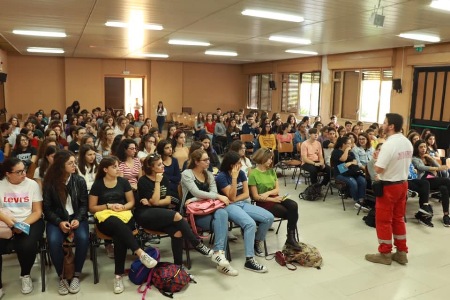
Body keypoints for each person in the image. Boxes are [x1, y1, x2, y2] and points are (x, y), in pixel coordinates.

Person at [89, 157, 157, 294]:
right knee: (117, 226)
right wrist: (108, 206)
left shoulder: (123, 182)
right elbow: (92, 208)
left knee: (119, 234)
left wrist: (123, 207)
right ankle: (140, 253)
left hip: (124, 214)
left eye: (117, 166)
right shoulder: (97, 185)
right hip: (105, 217)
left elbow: (131, 202)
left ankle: (118, 276)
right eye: (114, 167)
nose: (118, 169)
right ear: (105, 169)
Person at [135, 154, 213, 267]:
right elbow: (156, 200)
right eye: (159, 164)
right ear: (151, 167)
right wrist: (157, 183)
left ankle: (178, 266)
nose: (163, 166)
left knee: (178, 233)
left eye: (162, 163)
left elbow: (166, 200)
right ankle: (197, 245)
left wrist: (154, 202)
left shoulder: (164, 178)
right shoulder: (143, 181)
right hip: (146, 215)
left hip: (162, 215)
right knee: (176, 215)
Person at [365, 113, 413, 265]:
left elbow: (378, 169)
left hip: (389, 187)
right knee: (398, 219)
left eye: (385, 122)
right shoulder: (407, 142)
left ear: (391, 126)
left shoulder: (389, 144)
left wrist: (376, 159)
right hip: (403, 184)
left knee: (384, 221)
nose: (383, 125)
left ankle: (385, 254)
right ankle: (401, 252)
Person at [181, 149, 237, 276]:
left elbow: (212, 193)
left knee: (222, 214)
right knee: (222, 222)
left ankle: (218, 254)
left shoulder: (209, 174)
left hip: (210, 209)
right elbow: (197, 192)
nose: (208, 161)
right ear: (196, 162)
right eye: (205, 160)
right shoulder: (187, 173)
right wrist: (216, 197)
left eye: (208, 159)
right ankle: (222, 262)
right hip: (194, 214)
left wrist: (196, 199)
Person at [216, 151, 273, 273]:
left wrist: (234, 199)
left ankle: (256, 242)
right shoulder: (221, 176)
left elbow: (246, 194)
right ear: (231, 165)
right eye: (238, 163)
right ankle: (249, 260)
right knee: (250, 224)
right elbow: (230, 196)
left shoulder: (241, 173)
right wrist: (234, 178)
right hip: (227, 207)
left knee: (269, 218)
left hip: (239, 203)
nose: (241, 165)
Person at [43, 150, 89, 295]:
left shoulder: (79, 181)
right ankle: (62, 276)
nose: (74, 165)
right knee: (53, 240)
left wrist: (78, 218)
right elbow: (47, 209)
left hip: (77, 217)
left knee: (83, 238)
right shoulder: (50, 182)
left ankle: (76, 274)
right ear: (60, 166)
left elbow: (83, 205)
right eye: (70, 163)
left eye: (74, 162)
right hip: (57, 219)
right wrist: (59, 222)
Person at [0, 158, 45, 295]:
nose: (24, 174)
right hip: (5, 222)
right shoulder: (1, 185)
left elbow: (37, 211)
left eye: (24, 170)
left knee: (27, 245)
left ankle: (25, 274)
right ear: (8, 173)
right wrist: (9, 222)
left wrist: (22, 224)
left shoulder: (32, 185)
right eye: (19, 172)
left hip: (30, 220)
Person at [248, 148, 301, 250]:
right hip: (263, 203)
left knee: (294, 205)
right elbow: (255, 197)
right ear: (261, 158)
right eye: (268, 159)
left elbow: (276, 190)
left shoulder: (271, 171)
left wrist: (268, 193)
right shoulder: (253, 174)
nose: (271, 161)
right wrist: (272, 199)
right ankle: (290, 239)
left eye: (271, 159)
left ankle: (290, 237)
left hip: (274, 197)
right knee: (291, 213)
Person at [411, 139, 450, 226]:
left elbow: (438, 166)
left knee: (444, 188)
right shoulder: (414, 158)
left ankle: (446, 215)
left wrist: (430, 158)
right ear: (417, 148)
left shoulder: (427, 157)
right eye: (421, 147)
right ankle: (423, 214)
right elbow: (421, 167)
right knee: (447, 180)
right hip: (423, 180)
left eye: (424, 146)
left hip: (432, 178)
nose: (423, 149)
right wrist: (436, 169)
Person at [331, 136, 368, 211]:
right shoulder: (336, 152)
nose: (350, 145)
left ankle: (361, 200)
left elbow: (355, 161)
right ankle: (357, 200)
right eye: (348, 143)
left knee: (362, 181)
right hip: (340, 173)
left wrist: (350, 163)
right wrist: (347, 150)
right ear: (343, 144)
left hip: (351, 172)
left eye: (350, 143)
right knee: (353, 183)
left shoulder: (351, 152)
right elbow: (343, 159)